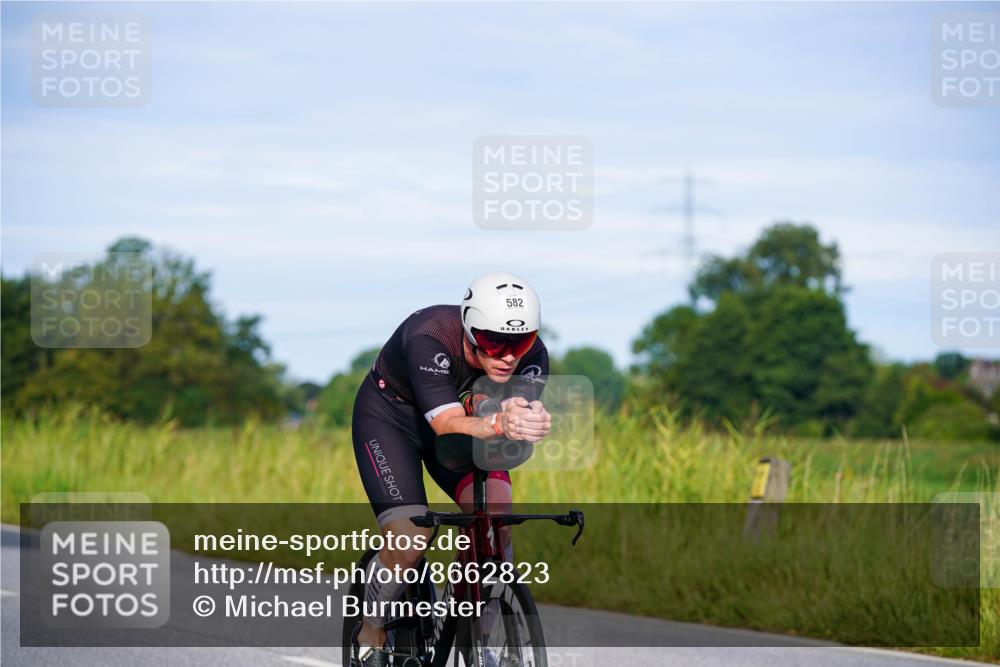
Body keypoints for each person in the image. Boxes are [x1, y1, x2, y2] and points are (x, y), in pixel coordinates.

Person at [350, 271, 552, 666]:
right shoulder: (429, 336)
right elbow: (445, 423)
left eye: (521, 341)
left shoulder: (534, 355)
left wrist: (529, 418)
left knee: (498, 515)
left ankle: (477, 629)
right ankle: (370, 628)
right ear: (470, 329)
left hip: (465, 425)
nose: (509, 355)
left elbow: (499, 409)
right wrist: (499, 422)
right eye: (494, 341)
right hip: (393, 420)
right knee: (411, 538)